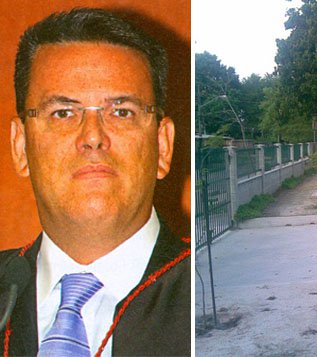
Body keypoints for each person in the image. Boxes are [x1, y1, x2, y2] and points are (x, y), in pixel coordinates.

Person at [0, 8, 189, 356]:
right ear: (20, 146)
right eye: (62, 113)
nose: (92, 137)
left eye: (121, 112)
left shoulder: (198, 297)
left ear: (162, 146)